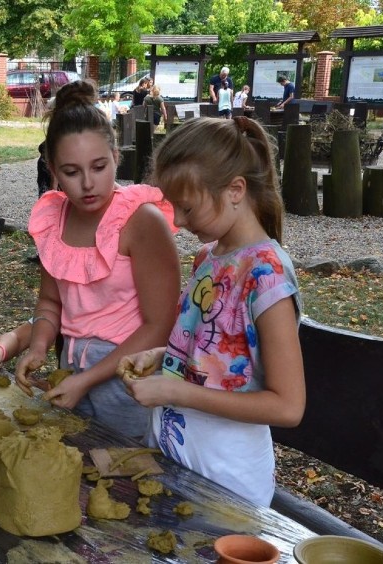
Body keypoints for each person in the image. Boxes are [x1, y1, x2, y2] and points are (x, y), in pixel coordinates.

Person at [117, 116, 306, 506]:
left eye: (187, 208)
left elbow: (288, 406)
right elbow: (212, 350)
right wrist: (165, 358)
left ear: (236, 190)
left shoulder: (265, 275)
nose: (179, 222)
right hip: (175, 462)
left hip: (227, 482)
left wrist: (177, 391)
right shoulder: (209, 256)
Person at [13, 80, 181, 438]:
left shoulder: (141, 221)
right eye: (71, 173)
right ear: (52, 170)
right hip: (70, 370)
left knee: (126, 477)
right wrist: (39, 346)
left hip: (129, 379)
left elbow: (159, 325)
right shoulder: (54, 219)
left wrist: (88, 379)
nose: (87, 183)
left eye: (99, 167)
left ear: (117, 157)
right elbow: (50, 301)